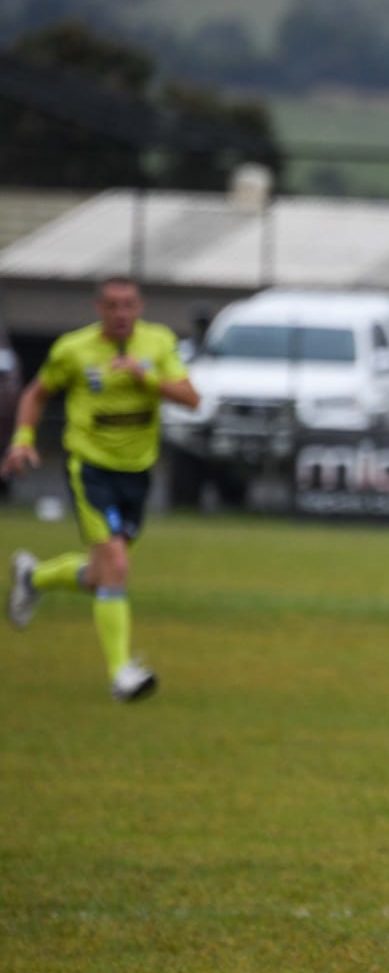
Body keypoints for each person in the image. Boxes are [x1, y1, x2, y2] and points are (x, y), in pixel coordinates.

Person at [4, 276, 199, 701]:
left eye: (128, 304)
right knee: (116, 564)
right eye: (112, 305)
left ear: (141, 306)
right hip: (91, 469)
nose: (121, 313)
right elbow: (37, 394)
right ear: (99, 309)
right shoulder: (73, 350)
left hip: (137, 472)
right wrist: (22, 441)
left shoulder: (158, 344)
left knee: (100, 574)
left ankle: (32, 576)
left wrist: (146, 379)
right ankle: (121, 675)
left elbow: (191, 398)